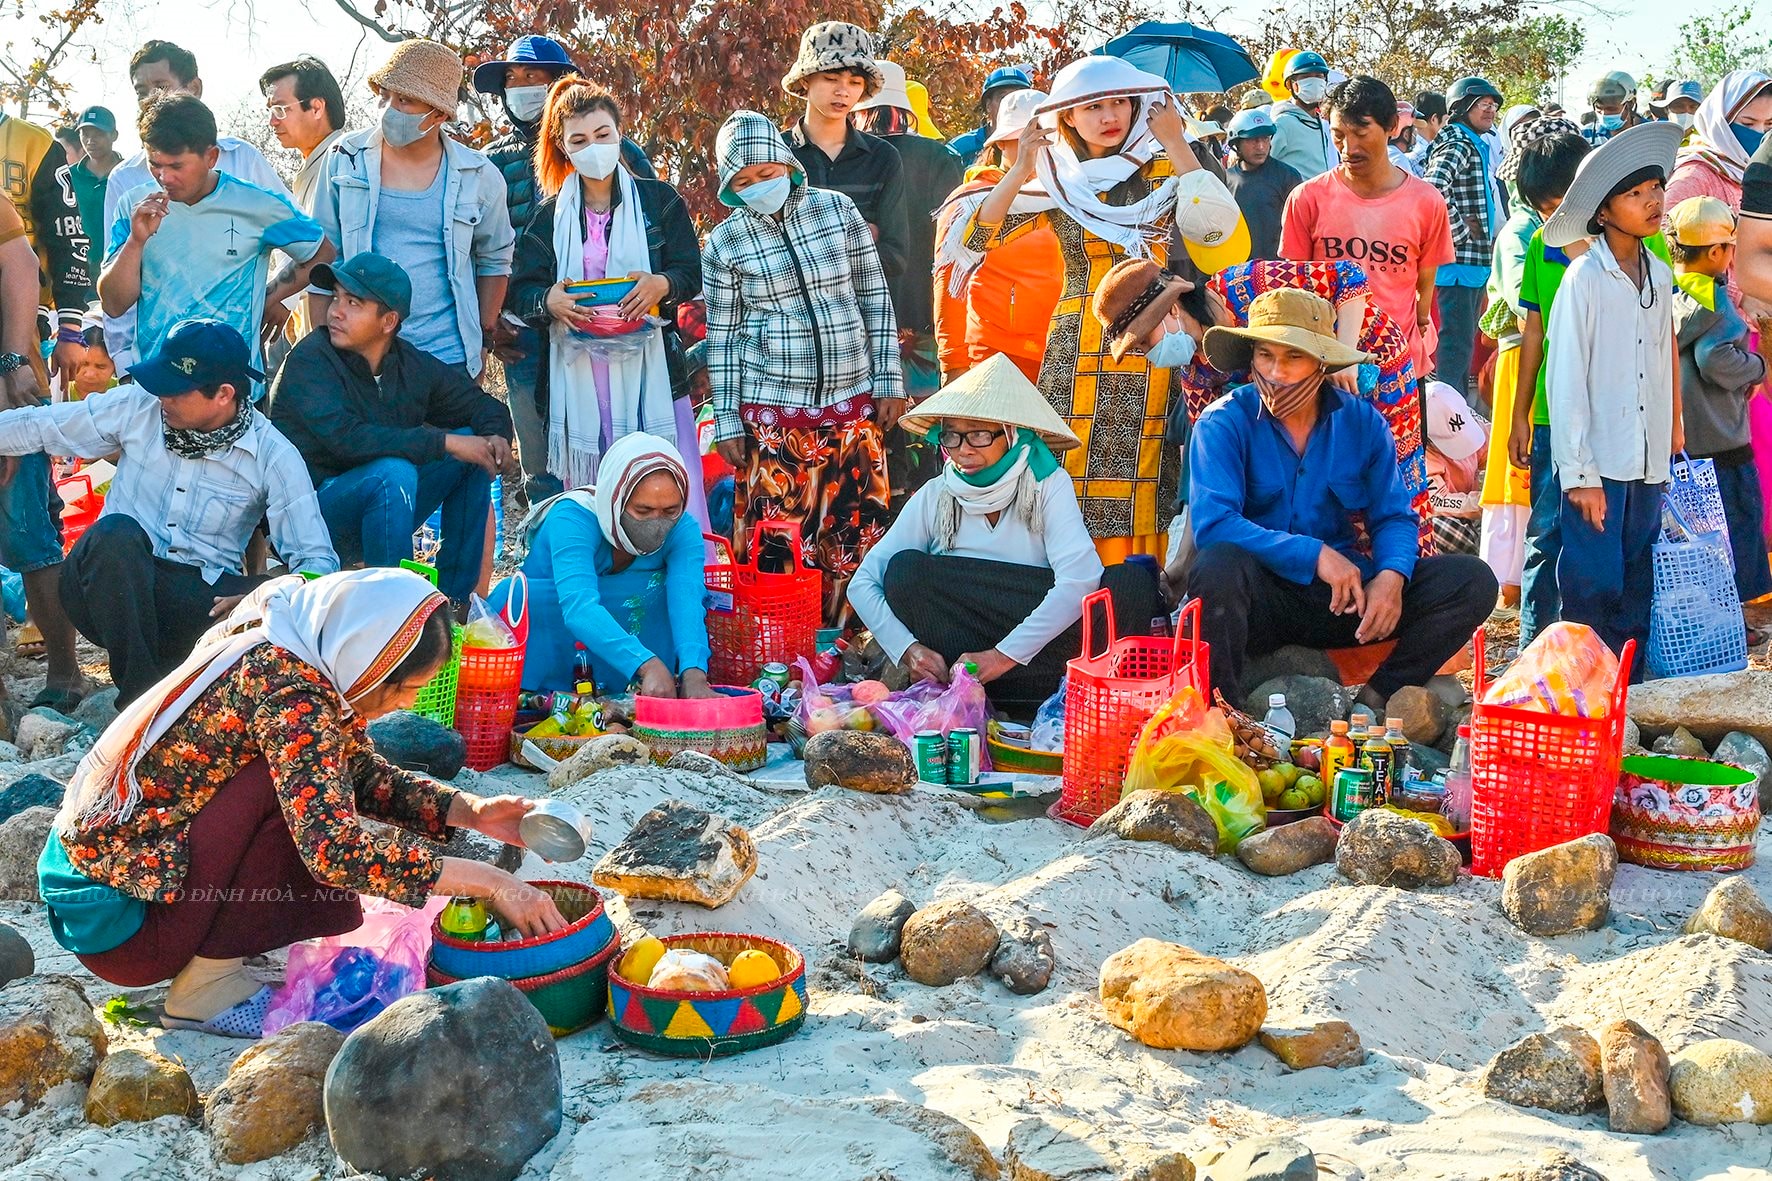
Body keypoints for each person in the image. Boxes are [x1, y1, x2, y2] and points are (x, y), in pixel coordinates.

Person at [39, 567, 569, 1037]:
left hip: (118, 890)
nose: (408, 704)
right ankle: (204, 988)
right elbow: (335, 851)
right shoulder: (289, 692)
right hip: (123, 926)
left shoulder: (291, 642)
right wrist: (491, 880)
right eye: (405, 689)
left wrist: (470, 812)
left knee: (310, 785)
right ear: (366, 656)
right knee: (295, 797)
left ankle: (218, 956)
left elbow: (352, 769)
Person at [966, 55, 1242, 565]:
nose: (1109, 114)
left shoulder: (1163, 164)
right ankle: (1066, 586)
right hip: (1075, 342)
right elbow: (977, 235)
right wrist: (1021, 169)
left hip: (1152, 333)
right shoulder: (1056, 177)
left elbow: (1220, 233)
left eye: (1119, 101)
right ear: (1067, 116)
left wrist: (1178, 142)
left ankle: (1139, 590)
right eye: (1093, 105)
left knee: (1146, 459)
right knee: (1067, 461)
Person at [0, 318, 339, 704]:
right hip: (109, 589)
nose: (161, 396)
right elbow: (40, 426)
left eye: (175, 390)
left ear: (224, 394)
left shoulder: (273, 455)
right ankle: (141, 703)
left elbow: (317, 564)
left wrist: (261, 594)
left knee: (265, 591)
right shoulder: (138, 405)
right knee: (114, 536)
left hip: (197, 607)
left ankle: (174, 688)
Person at [1186, 288, 1496, 707]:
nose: (1276, 372)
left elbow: (1393, 516)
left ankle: (1377, 697)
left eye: (1293, 357)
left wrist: (1391, 576)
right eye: (1265, 356)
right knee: (1218, 565)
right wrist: (1313, 554)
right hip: (1260, 600)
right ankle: (1225, 710)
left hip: (1342, 602)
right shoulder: (1222, 422)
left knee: (1471, 580)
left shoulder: (1361, 421)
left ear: (1320, 363)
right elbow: (1214, 523)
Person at [851, 353, 1159, 714]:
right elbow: (863, 583)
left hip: (1043, 656)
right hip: (964, 664)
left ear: (1011, 434)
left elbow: (1079, 579)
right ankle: (971, 698)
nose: (963, 449)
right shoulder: (937, 494)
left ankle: (1067, 697)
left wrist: (1000, 657)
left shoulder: (1047, 484)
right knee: (905, 570)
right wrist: (907, 649)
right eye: (952, 436)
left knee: (1131, 585)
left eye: (979, 434)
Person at [704, 110, 903, 625]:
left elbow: (874, 298)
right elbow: (723, 338)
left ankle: (850, 647)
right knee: (781, 547)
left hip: (852, 411)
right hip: (774, 423)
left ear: (788, 165)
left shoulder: (837, 211)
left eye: (766, 173)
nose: (758, 186)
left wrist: (889, 380)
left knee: (852, 537)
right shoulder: (725, 243)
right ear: (730, 188)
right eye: (743, 182)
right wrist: (726, 421)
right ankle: (781, 652)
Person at [506, 77, 705, 530]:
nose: (593, 147)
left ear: (619, 134)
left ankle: (684, 582)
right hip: (579, 374)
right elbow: (523, 290)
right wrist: (549, 299)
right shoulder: (548, 217)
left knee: (667, 480)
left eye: (602, 135)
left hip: (652, 371)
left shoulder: (659, 202)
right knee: (595, 496)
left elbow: (690, 273)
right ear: (563, 147)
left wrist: (661, 285)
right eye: (579, 139)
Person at [269, 252, 516, 602]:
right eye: (336, 297)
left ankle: (453, 605)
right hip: (310, 523)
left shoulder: (408, 363)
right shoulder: (310, 360)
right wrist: (443, 442)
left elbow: (482, 405)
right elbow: (348, 439)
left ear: (388, 322)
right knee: (393, 473)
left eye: (353, 302)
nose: (335, 310)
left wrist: (495, 437)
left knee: (471, 451)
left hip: (381, 511)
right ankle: (395, 613)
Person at [473, 35, 653, 493]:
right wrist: (491, 324)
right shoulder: (490, 165)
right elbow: (479, 252)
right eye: (512, 80)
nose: (521, 87)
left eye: (534, 77)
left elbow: (657, 232)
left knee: (621, 448)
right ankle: (553, 547)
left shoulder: (618, 152)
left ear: (560, 84)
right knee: (545, 462)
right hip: (524, 333)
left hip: (610, 324)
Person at [1540, 121, 1683, 673]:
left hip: (1646, 460)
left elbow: (1659, 363)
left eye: (1655, 189)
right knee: (1590, 585)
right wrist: (1579, 475)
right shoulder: (1584, 278)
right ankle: (1581, 691)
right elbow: (1567, 378)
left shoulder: (1660, 276)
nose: (1652, 202)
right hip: (1600, 463)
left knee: (1634, 581)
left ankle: (1627, 693)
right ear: (1603, 212)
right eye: (1635, 194)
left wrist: (1671, 435)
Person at [1169, 256, 1433, 552]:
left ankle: (1388, 571)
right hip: (1293, 412)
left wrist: (1343, 355)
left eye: (1144, 342)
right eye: (1265, 354)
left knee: (1391, 478)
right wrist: (1183, 561)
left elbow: (1349, 275)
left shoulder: (1244, 282)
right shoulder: (1195, 373)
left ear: (1172, 310)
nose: (1148, 353)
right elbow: (1207, 475)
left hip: (1368, 358)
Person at [308, 39, 515, 382]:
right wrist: (324, 353)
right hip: (361, 359)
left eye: (404, 100)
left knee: (453, 438)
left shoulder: (479, 176)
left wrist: (481, 339)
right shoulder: (345, 158)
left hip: (447, 359)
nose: (389, 109)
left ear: (439, 113)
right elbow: (323, 254)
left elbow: (495, 259)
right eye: (385, 96)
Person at [100, 95, 333, 388]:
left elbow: (321, 251)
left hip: (233, 389)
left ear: (211, 157)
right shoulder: (134, 207)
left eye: (176, 166)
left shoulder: (257, 204)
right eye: (154, 164)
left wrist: (268, 296)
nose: (164, 177)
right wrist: (136, 242)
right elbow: (113, 304)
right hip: (157, 385)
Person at [102, 40, 290, 373]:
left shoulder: (241, 159)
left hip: (234, 365)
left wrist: (273, 297)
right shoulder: (126, 179)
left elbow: (299, 241)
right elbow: (116, 273)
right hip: (155, 366)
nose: (150, 99)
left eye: (161, 87)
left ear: (194, 88)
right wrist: (122, 358)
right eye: (141, 91)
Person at [497, 432, 713, 698]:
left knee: (662, 592)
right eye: (642, 512)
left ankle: (634, 691)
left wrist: (694, 672)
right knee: (521, 597)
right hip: (553, 626)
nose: (658, 523)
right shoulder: (572, 517)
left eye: (670, 511)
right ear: (615, 499)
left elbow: (688, 599)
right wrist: (646, 664)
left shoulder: (683, 528)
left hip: (627, 629)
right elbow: (579, 608)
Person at [1281, 75, 1455, 377]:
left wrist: (1422, 318)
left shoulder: (1426, 201)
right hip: (1325, 366)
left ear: (1390, 127)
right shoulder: (1307, 198)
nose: (1348, 147)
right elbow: (1295, 284)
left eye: (1361, 132)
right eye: (1338, 135)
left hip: (1398, 365)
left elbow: (1425, 281)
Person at [1483, 122, 1586, 605]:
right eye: (1545, 208)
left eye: (1560, 204)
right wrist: (1522, 413)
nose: (1554, 217)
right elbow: (1534, 326)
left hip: (1606, 408)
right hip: (1542, 391)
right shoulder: (1533, 241)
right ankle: (1530, 625)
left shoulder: (1635, 243)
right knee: (1541, 518)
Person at [855, 61, 966, 497]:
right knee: (930, 431)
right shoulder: (942, 159)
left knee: (873, 438)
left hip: (862, 322)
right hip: (928, 317)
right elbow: (955, 241)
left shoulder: (854, 163)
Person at [0, 201, 85, 710]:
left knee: (26, 533)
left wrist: (9, 363)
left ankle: (65, 673)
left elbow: (21, 264)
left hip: (5, 385)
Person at [1668, 196, 1771, 603]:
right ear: (1716, 252)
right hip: (1725, 438)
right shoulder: (1715, 302)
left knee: (1698, 531)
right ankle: (1740, 612)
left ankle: (1712, 608)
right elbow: (1714, 358)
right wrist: (1756, 367)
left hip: (1687, 439)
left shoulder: (1671, 294)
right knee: (1740, 523)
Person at [932, 89, 1061, 385]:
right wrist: (953, 364)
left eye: (1045, 139)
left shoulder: (1064, 196)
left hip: (1059, 356)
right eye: (1024, 138)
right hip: (993, 356)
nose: (1035, 148)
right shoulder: (969, 199)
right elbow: (948, 281)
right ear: (1001, 141)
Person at [779, 22, 908, 280]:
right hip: (788, 314)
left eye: (855, 82)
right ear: (806, 79)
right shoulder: (776, 154)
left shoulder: (882, 157)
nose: (843, 91)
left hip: (862, 313)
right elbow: (756, 247)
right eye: (830, 78)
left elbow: (896, 256)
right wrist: (859, 238)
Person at [1424, 76, 1505, 397]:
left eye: (1494, 106)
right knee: (1456, 343)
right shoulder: (1458, 142)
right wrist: (1461, 232)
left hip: (1470, 263)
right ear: (1461, 107)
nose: (1491, 111)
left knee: (1462, 340)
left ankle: (1454, 411)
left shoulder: (1472, 141)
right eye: (1483, 105)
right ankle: (1450, 414)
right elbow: (1433, 187)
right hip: (1458, 263)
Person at [1664, 70, 1772, 309]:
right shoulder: (1695, 176)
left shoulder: (1759, 172)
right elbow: (1668, 253)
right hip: (1718, 328)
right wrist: (1741, 294)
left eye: (1770, 125)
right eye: (1748, 123)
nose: (1760, 133)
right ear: (1721, 122)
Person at [0, 107, 88, 387]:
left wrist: (70, 327)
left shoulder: (35, 142)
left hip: (23, 315)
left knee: (21, 420)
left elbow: (66, 236)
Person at [261, 56, 349, 210]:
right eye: (271, 110)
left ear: (316, 108)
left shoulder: (345, 164)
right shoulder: (312, 166)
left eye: (280, 109)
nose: (272, 121)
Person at [1224, 108, 1302, 261]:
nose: (1260, 146)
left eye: (1265, 139)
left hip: (1278, 270)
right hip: (1240, 269)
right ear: (1236, 144)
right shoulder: (1226, 179)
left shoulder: (1288, 176)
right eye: (1252, 140)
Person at [1422, 380, 1487, 556]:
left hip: (1473, 507)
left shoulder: (1468, 419)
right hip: (1448, 515)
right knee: (1441, 530)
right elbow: (1435, 501)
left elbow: (1495, 445)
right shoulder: (1423, 456)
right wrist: (1482, 502)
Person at [1270, 51, 1338, 180]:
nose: (1315, 82)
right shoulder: (1283, 124)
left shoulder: (1324, 124)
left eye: (1319, 76)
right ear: (1291, 85)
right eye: (1306, 77)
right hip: (1297, 198)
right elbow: (1265, 166)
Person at [948, 66, 1034, 168]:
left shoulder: (1040, 144)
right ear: (988, 105)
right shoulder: (960, 149)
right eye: (1003, 98)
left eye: (1019, 98)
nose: (1012, 104)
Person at [68, 106, 121, 249]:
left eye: (98, 134)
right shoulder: (68, 176)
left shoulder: (127, 174)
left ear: (114, 135)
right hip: (80, 263)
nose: (91, 141)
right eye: (85, 134)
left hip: (120, 260)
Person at [1583, 71, 1642, 146]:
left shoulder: (1650, 131)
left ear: (1630, 104)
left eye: (1611, 109)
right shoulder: (1587, 133)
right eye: (1599, 108)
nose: (1604, 114)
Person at [1411, 91, 1448, 169]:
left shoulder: (1406, 147)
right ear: (1434, 119)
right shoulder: (1423, 156)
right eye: (1446, 120)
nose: (1448, 126)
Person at [1388, 101, 1423, 178]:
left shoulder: (1384, 153)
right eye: (1414, 129)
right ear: (1406, 134)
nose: (1416, 134)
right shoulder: (1399, 160)